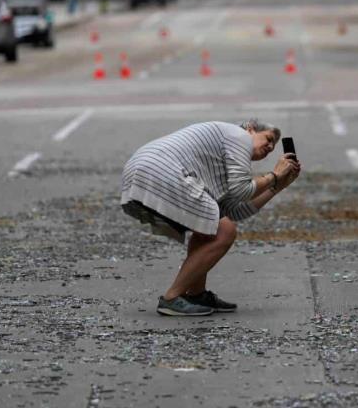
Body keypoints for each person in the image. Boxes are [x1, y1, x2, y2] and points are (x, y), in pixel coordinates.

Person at [120, 119, 301, 316]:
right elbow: (242, 191)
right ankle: (171, 298)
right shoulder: (238, 136)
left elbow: (234, 211)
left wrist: (277, 187)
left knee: (217, 227)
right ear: (250, 128)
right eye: (268, 138)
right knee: (224, 231)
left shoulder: (227, 156)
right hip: (159, 169)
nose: (271, 146)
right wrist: (274, 175)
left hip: (144, 170)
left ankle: (196, 295)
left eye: (274, 145)